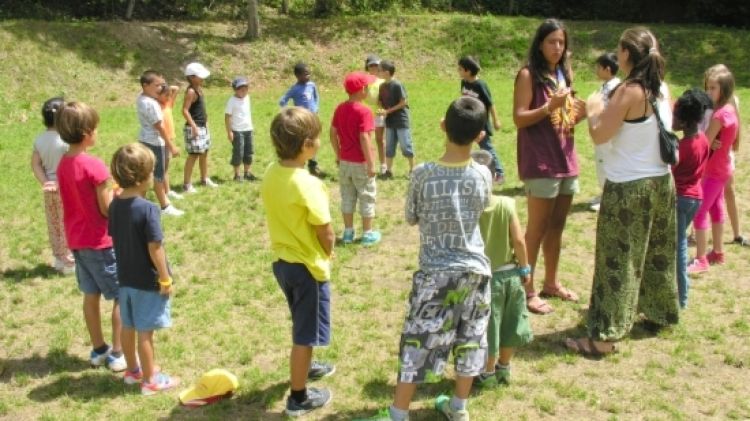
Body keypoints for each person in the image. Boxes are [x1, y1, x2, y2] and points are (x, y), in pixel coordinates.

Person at [364, 97, 492, 421]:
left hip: (435, 273)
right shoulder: (483, 174)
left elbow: (411, 216)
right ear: (480, 136)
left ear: (443, 126)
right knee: (471, 339)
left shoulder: (422, 174)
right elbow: (482, 209)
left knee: (418, 342)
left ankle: (399, 412)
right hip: (476, 272)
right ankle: (458, 408)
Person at [566, 27, 679, 356]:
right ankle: (659, 313)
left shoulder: (629, 91)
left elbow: (601, 135)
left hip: (630, 187)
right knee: (658, 252)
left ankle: (603, 337)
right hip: (662, 182)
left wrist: (591, 109)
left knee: (617, 261)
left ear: (628, 55)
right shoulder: (661, 88)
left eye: (619, 49)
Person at [260, 107, 336, 417]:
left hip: (283, 264)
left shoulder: (270, 172)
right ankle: (298, 397)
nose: (320, 142)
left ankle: (306, 365)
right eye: (317, 138)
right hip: (307, 267)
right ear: (306, 145)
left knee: (301, 320)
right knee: (304, 334)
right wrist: (328, 252)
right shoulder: (308, 184)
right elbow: (326, 231)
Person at [512, 19, 587, 315]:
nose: (557, 47)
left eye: (561, 42)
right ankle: (526, 289)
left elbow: (565, 117)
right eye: (552, 42)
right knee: (537, 229)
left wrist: (579, 115)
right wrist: (547, 108)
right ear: (540, 44)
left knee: (557, 226)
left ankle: (551, 283)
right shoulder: (528, 75)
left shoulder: (564, 73)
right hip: (540, 161)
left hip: (566, 159)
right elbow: (518, 118)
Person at [55, 101, 126, 371]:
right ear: (86, 133)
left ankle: (98, 349)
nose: (97, 132)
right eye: (95, 128)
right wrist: (117, 195)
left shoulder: (63, 164)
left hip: (77, 241)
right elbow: (106, 209)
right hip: (101, 241)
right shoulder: (94, 166)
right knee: (121, 294)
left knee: (91, 293)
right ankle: (118, 353)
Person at [109, 143, 179, 395]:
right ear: (143, 177)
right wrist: (165, 277)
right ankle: (150, 380)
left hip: (125, 279)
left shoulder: (114, 205)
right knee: (145, 332)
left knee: (128, 326)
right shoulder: (148, 209)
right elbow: (155, 248)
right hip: (147, 282)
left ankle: (133, 370)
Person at [471, 150, 533, 388]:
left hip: (485, 278)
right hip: (510, 275)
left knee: (490, 327)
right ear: (495, 178)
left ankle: (487, 372)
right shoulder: (507, 204)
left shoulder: (469, 209)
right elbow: (518, 240)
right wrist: (525, 268)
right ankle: (504, 368)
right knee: (510, 323)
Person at [687, 65, 740, 273]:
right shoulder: (728, 110)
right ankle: (717, 251)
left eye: (712, 89)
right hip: (721, 168)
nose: (708, 93)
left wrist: (699, 137)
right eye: (707, 88)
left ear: (724, 90)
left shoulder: (719, 116)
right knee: (716, 208)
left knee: (699, 211)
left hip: (713, 170)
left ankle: (701, 259)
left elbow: (704, 142)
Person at [330, 71, 381, 246]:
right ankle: (367, 233)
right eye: (366, 87)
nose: (368, 90)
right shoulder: (365, 111)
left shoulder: (340, 108)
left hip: (345, 161)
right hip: (361, 162)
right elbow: (364, 138)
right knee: (366, 195)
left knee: (347, 196)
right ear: (360, 90)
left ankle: (348, 233)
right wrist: (371, 163)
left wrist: (338, 154)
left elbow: (332, 133)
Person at [671, 89, 710, 309]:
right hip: (695, 198)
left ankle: (682, 298)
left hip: (680, 199)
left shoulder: (682, 147)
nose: (672, 120)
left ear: (684, 122)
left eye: (675, 116)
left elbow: (670, 170)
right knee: (680, 243)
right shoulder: (703, 139)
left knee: (679, 249)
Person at [30, 97, 75, 274]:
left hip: (50, 191)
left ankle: (59, 258)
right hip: (67, 189)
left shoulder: (40, 140)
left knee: (54, 222)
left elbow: (35, 163)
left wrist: (45, 181)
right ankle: (70, 261)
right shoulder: (66, 140)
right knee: (70, 222)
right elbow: (73, 163)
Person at [137, 70, 184, 216]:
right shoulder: (151, 104)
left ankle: (140, 203)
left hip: (144, 139)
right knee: (158, 175)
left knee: (145, 174)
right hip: (155, 142)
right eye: (156, 85)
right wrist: (171, 146)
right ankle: (165, 206)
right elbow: (160, 127)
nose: (160, 88)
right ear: (145, 85)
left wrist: (159, 80)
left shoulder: (141, 97)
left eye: (161, 85)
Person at [458, 56, 504, 183]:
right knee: (464, 145)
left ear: (468, 71)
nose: (458, 71)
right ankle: (464, 170)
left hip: (480, 123)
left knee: (487, 148)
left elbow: (490, 103)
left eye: (460, 69)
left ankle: (499, 172)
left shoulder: (481, 85)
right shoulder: (464, 82)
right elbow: (463, 99)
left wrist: (496, 120)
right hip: (468, 121)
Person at [279, 62, 325, 178]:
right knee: (303, 141)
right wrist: (291, 112)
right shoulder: (295, 89)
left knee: (313, 140)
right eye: (305, 74)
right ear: (298, 76)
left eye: (309, 73)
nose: (308, 76)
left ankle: (313, 164)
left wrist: (316, 107)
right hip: (302, 120)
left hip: (313, 117)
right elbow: (282, 101)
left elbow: (316, 96)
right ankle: (301, 164)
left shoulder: (312, 85)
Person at [589, 52, 621, 212]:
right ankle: (604, 194)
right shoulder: (607, 86)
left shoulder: (615, 88)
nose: (596, 70)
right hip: (602, 131)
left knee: (606, 164)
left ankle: (608, 198)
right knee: (601, 163)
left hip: (608, 135)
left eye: (598, 67)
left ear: (607, 69)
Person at [182, 62, 217, 193]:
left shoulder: (199, 89)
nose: (202, 79)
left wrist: (206, 122)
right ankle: (187, 184)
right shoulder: (191, 91)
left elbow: (201, 109)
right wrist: (194, 126)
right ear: (191, 77)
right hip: (194, 128)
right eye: (199, 76)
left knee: (204, 153)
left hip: (203, 127)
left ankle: (204, 178)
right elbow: (185, 110)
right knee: (194, 155)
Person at [377, 60, 415, 179]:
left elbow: (403, 103)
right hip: (390, 121)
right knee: (389, 146)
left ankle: (413, 170)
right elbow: (380, 102)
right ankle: (388, 171)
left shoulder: (397, 85)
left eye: (380, 70)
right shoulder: (382, 86)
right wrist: (380, 109)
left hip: (401, 120)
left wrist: (387, 111)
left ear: (387, 72)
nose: (378, 72)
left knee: (406, 146)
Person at [225, 76, 256, 181]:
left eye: (245, 88)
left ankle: (247, 172)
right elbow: (227, 116)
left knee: (249, 152)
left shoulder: (248, 98)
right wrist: (229, 132)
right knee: (238, 152)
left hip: (248, 129)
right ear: (235, 89)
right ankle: (237, 175)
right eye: (240, 88)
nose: (243, 91)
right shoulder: (232, 101)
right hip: (237, 131)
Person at [156, 81, 183, 202]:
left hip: (169, 139)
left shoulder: (168, 105)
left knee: (166, 167)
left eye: (168, 95)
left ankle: (168, 190)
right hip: (162, 140)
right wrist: (160, 89)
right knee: (161, 168)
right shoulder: (156, 106)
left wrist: (166, 87)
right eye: (165, 95)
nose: (168, 97)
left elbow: (176, 88)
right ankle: (163, 192)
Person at [364, 54, 387, 175]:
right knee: (366, 139)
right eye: (371, 65)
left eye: (376, 65)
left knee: (379, 139)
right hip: (366, 113)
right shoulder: (364, 80)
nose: (373, 68)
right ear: (367, 67)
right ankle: (368, 163)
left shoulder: (383, 81)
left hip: (379, 113)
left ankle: (383, 165)